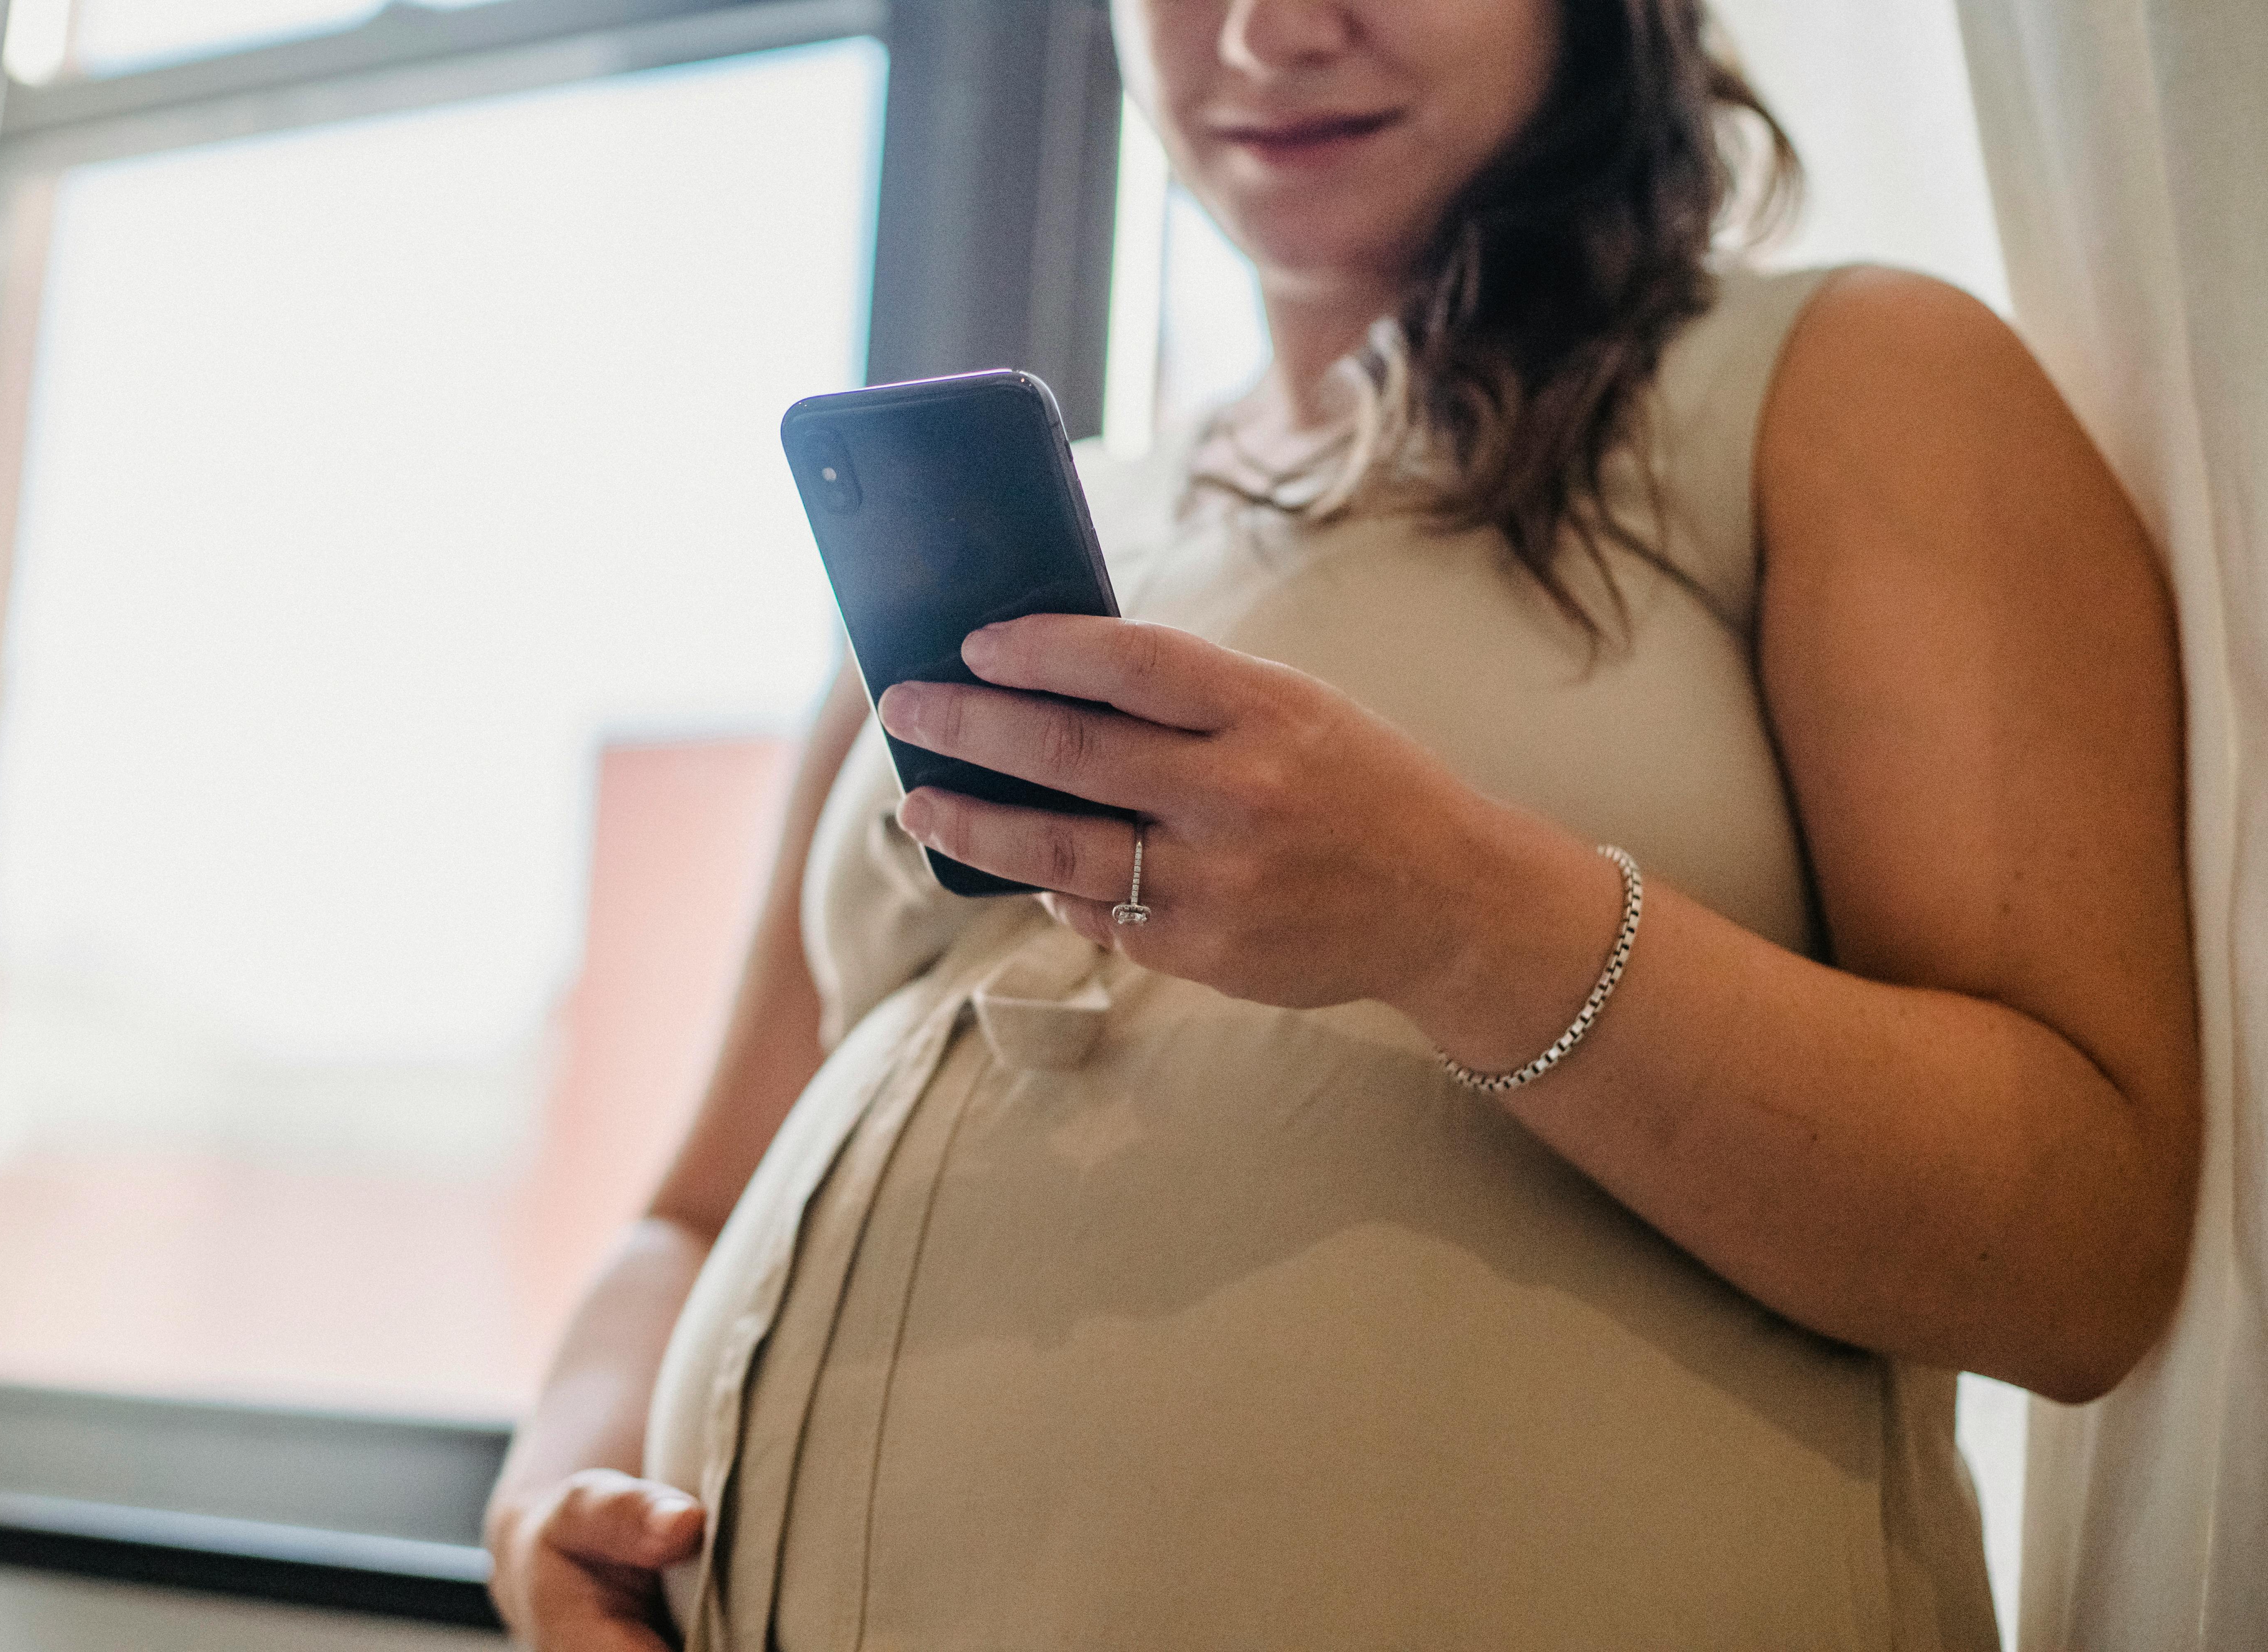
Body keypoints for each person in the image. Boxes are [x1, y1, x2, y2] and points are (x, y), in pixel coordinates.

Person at [486, 0, 2201, 1645]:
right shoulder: (1024, 535)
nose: (1263, 33)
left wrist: (1463, 920)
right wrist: (555, 1479)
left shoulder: (1845, 381)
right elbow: (693, 1212)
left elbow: (2078, 1253)